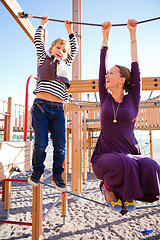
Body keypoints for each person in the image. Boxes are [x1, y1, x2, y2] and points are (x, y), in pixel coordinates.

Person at [91, 19, 160, 212]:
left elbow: (136, 67)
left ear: (122, 80)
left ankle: (128, 194)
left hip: (130, 154)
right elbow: (101, 67)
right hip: (104, 157)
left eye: (112, 73)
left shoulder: (133, 99)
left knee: (151, 164)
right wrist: (105, 38)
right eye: (108, 73)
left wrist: (132, 34)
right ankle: (108, 188)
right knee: (124, 162)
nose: (107, 76)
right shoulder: (105, 98)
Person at [28, 16, 78, 191]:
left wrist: (70, 31)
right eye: (58, 47)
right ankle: (37, 171)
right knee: (41, 143)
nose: (61, 51)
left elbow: (75, 49)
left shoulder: (66, 64)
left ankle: (57, 175)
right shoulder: (44, 58)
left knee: (60, 145)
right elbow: (37, 41)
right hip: (41, 106)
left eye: (64, 50)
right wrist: (42, 25)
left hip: (58, 109)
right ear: (51, 48)